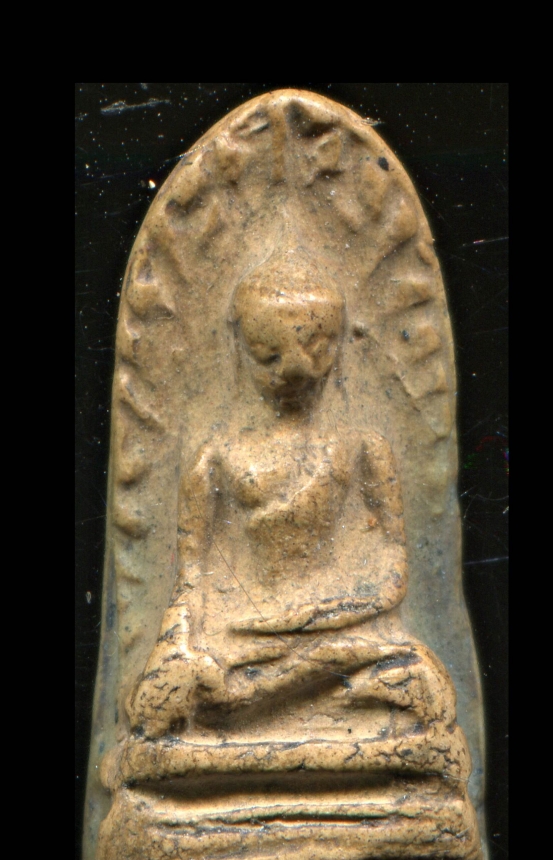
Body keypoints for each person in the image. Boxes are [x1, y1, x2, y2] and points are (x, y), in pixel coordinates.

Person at [127, 248, 454, 743]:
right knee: (178, 689)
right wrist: (178, 647)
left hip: (343, 632)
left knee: (419, 679)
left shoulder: (363, 449)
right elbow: (191, 581)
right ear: (240, 347)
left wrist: (326, 614)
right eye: (269, 355)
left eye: (316, 349)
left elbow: (392, 566)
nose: (296, 371)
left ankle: (272, 707)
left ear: (340, 344)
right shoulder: (215, 458)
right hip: (243, 636)